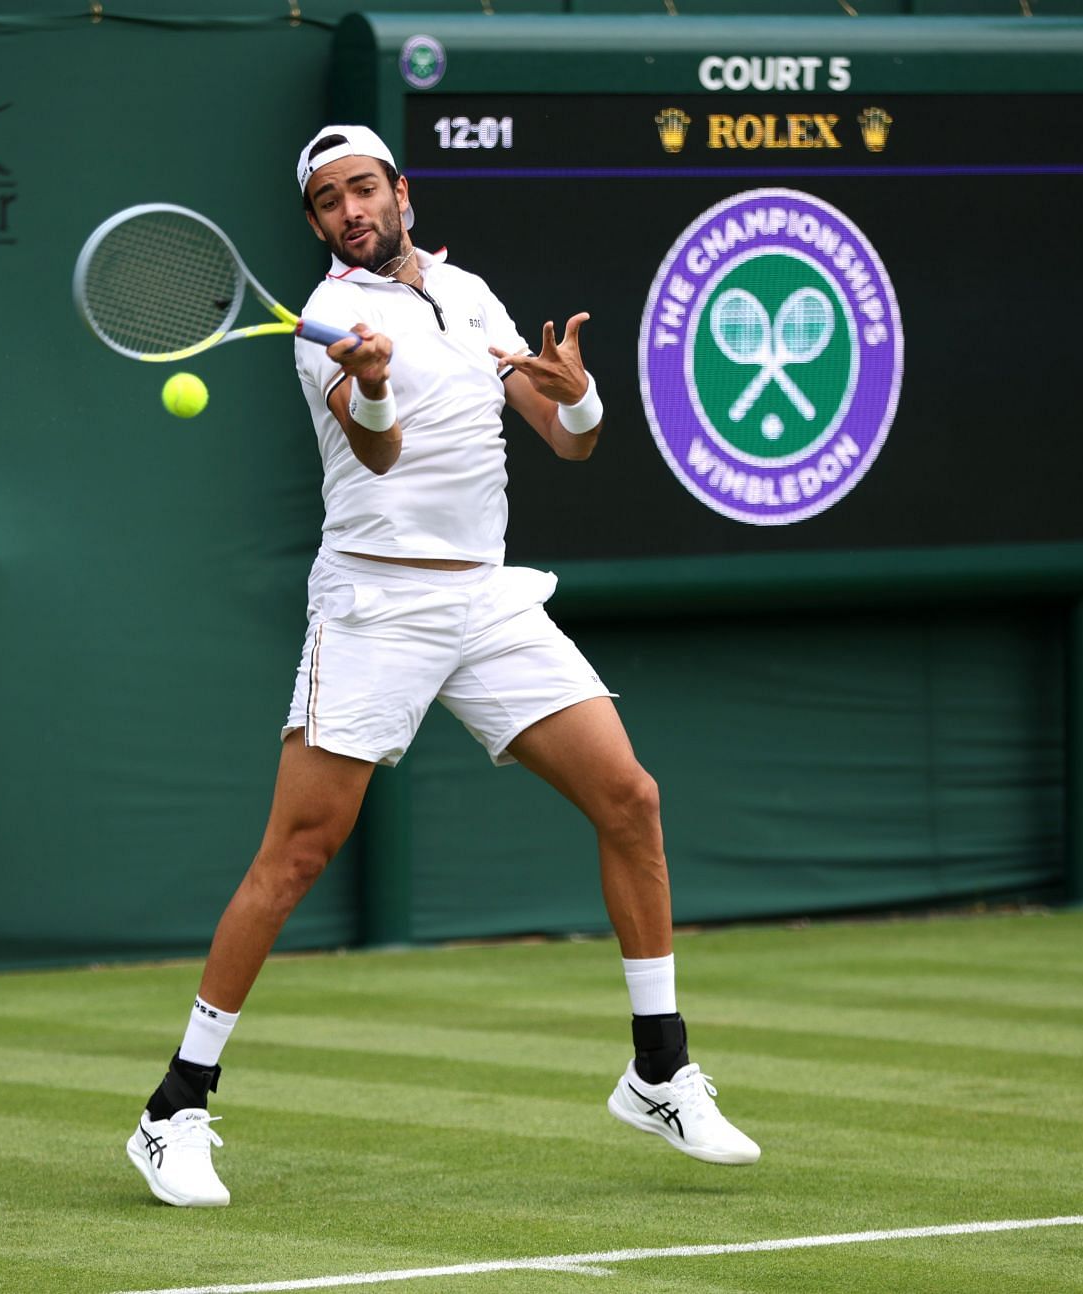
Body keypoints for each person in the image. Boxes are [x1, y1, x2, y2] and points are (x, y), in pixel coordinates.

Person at [126, 124, 759, 1208]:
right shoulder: (326, 317)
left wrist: (584, 393)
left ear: (401, 192)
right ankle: (172, 1108)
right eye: (327, 202)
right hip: (377, 604)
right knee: (297, 855)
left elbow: (567, 439)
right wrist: (368, 385)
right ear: (319, 223)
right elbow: (375, 448)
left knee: (630, 798)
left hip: (485, 596)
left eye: (362, 189)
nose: (348, 210)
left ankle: (658, 1068)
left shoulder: (471, 296)